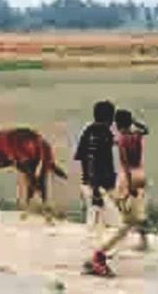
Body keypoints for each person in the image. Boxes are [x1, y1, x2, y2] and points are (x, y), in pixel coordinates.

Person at [76, 100, 120, 277]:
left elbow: (82, 158)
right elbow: (92, 160)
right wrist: (96, 190)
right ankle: (96, 259)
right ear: (108, 116)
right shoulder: (99, 133)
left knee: (97, 227)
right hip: (97, 187)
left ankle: (95, 261)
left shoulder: (90, 131)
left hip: (92, 185)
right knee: (119, 225)